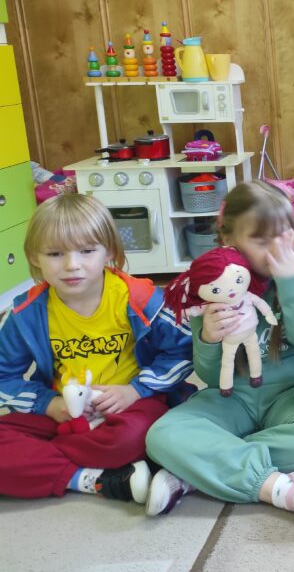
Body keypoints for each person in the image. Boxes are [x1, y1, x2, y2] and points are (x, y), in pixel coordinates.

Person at [145, 182, 294, 527]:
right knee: (162, 434)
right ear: (228, 239)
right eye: (260, 240)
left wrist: (290, 280)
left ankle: (201, 468)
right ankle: (275, 484)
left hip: (290, 393)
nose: (276, 249)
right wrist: (209, 337)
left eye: (283, 236)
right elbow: (210, 377)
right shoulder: (209, 283)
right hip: (232, 395)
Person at [0, 193, 193, 503]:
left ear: (109, 252)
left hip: (132, 407)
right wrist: (49, 404)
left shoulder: (140, 299)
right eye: (55, 253)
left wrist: (135, 390)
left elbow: (183, 351)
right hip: (61, 413)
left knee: (135, 437)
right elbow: (3, 376)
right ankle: (93, 479)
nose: (71, 265)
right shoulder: (26, 312)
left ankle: (42, 463)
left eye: (87, 251)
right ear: (34, 257)